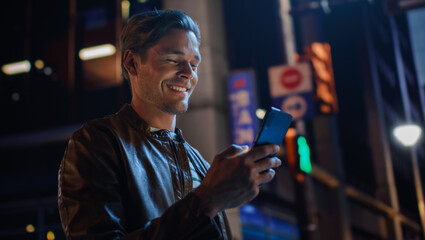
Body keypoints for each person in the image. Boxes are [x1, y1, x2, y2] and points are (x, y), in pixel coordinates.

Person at [58, 10, 281, 239]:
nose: (188, 74)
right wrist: (207, 200)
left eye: (194, 64)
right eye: (173, 60)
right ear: (132, 63)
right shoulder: (98, 144)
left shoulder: (200, 164)